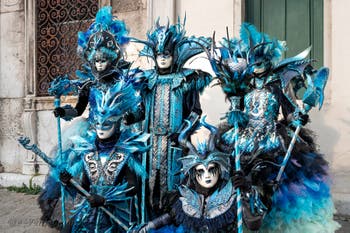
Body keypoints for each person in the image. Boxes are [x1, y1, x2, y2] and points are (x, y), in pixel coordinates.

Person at [211, 23, 339, 232]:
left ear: (268, 61)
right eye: (253, 63)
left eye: (261, 62)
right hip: (243, 137)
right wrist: (235, 108)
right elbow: (240, 110)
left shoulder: (276, 85)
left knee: (276, 178)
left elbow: (288, 112)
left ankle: (270, 219)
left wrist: (297, 118)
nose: (257, 66)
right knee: (234, 173)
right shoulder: (246, 86)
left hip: (271, 137)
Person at [130, 18, 213, 215]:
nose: (163, 58)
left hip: (174, 143)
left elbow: (195, 112)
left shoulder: (185, 79)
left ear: (174, 55)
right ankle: (149, 219)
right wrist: (129, 117)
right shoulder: (147, 80)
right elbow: (141, 110)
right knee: (149, 185)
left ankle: (174, 219)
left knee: (174, 184)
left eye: (167, 54)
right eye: (159, 55)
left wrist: (182, 133)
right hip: (150, 144)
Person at [131, 118, 267, 233]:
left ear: (220, 170)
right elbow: (168, 218)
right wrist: (146, 228)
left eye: (211, 169)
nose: (207, 175)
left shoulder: (232, 196)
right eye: (201, 171)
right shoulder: (187, 199)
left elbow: (254, 223)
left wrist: (247, 189)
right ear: (194, 174)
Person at [51, 80, 149, 232]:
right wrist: (68, 182)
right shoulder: (88, 153)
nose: (101, 129)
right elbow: (84, 187)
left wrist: (106, 199)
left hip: (115, 211)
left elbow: (132, 187)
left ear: (116, 125)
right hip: (90, 211)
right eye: (98, 124)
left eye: (107, 124)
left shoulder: (124, 154)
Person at [53, 6, 131, 122]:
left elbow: (130, 109)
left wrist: (131, 118)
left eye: (103, 60)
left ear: (111, 61)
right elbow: (78, 110)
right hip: (94, 131)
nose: (99, 64)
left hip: (116, 132)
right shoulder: (88, 86)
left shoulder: (120, 83)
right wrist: (63, 111)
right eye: (96, 61)